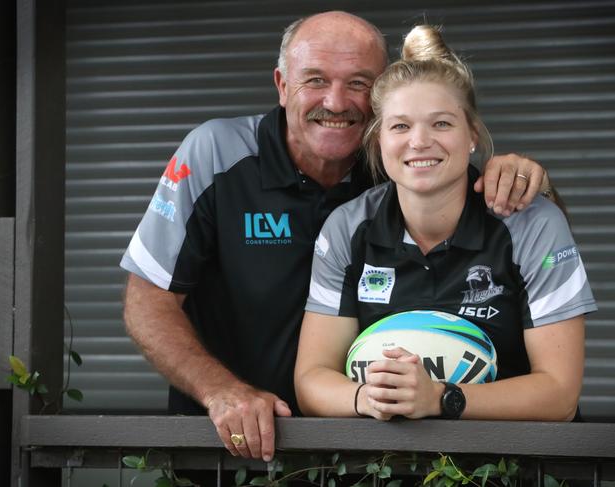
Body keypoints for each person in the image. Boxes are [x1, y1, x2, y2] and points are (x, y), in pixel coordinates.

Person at [120, 11, 551, 462]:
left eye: (359, 84)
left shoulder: (397, 163)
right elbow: (147, 302)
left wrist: (516, 176)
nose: (337, 101)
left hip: (363, 455)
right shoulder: (216, 154)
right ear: (282, 85)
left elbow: (478, 189)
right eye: (315, 80)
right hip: (234, 449)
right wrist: (222, 391)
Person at [295, 24, 597, 422]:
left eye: (441, 123)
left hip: (510, 469)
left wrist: (441, 399)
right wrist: (368, 399)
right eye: (400, 126)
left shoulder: (532, 223)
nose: (419, 141)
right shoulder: (346, 228)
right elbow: (311, 381)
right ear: (378, 141)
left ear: (472, 134)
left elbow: (560, 396)